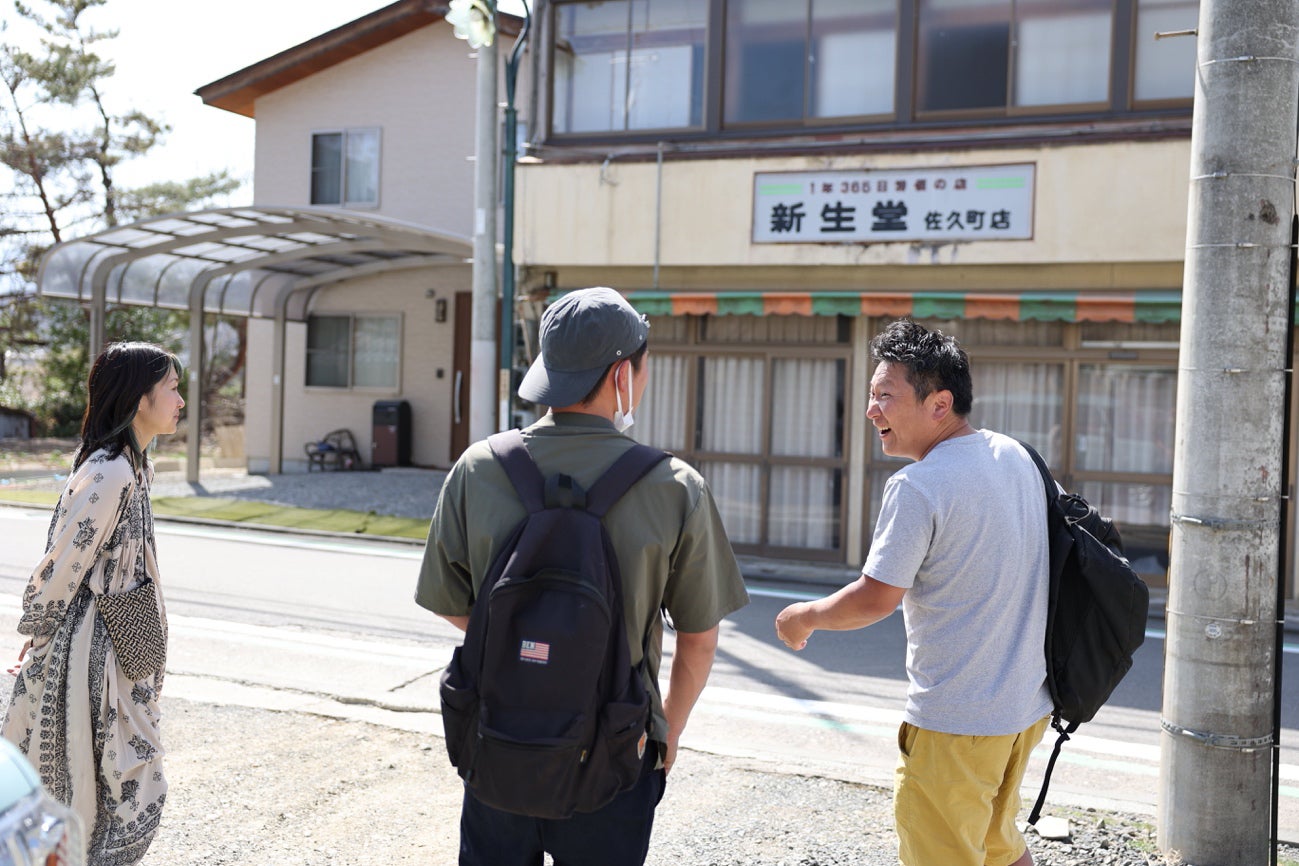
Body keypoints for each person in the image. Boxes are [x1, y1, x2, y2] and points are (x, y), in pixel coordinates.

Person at [417, 286, 749, 866]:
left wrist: (531, 644)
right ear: (623, 374)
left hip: (499, 739)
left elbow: (447, 599)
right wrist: (666, 731)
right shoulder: (674, 487)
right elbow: (698, 640)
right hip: (617, 749)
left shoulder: (478, 467)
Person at [774, 318, 1052, 866]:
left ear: (939, 404)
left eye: (885, 396)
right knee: (998, 845)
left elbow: (874, 599)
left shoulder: (918, 486)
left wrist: (803, 616)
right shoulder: (1015, 455)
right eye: (871, 395)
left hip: (956, 722)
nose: (871, 410)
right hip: (1024, 709)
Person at [4, 341, 183, 865]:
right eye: (172, 389)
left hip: (122, 641)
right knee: (117, 782)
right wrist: (40, 636)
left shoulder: (133, 466)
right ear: (139, 397)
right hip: (94, 651)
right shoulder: (112, 472)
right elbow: (63, 561)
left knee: (118, 779)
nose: (180, 401)